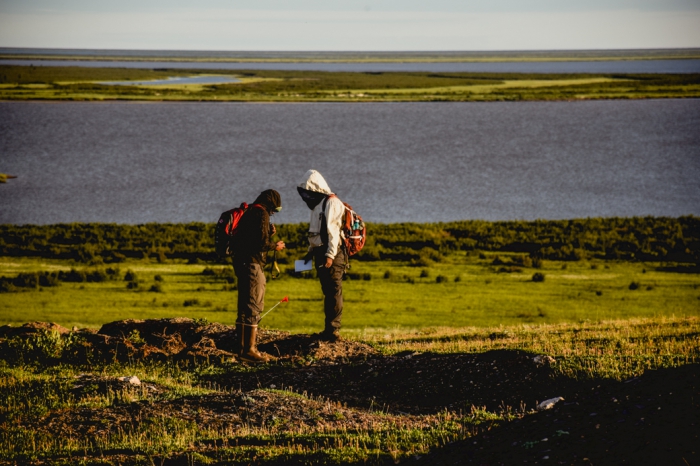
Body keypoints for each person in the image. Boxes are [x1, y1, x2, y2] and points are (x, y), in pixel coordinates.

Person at [232, 189, 285, 363]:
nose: (273, 213)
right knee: (254, 304)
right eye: (274, 210)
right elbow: (261, 244)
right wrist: (275, 245)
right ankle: (249, 351)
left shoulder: (249, 212)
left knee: (245, 305)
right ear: (270, 203)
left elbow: (250, 239)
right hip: (253, 265)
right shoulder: (261, 214)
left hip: (242, 263)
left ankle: (241, 349)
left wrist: (268, 234)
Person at [297, 170, 346, 342]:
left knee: (333, 291)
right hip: (320, 252)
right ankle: (329, 329)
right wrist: (310, 254)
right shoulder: (318, 204)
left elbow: (333, 232)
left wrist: (330, 255)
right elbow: (316, 233)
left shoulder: (331, 203)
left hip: (330, 253)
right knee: (328, 291)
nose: (306, 196)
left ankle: (333, 330)